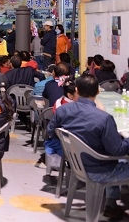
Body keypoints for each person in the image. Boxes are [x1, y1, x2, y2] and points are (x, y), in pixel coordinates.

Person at [47, 74, 129, 219]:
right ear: (98, 91)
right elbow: (117, 150)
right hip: (99, 169)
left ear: (76, 90)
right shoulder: (104, 118)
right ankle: (111, 201)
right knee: (121, 157)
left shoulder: (63, 111)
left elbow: (51, 132)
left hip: (75, 164)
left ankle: (111, 201)